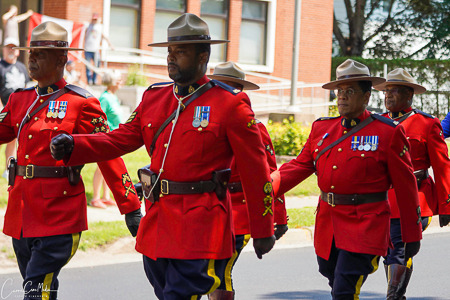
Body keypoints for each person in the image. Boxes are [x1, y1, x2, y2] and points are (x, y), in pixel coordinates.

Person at [50, 13, 276, 300]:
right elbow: (119, 139)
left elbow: (256, 170)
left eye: (180, 52)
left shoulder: (229, 103)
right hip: (158, 222)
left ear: (203, 55)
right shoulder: (155, 98)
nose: (171, 58)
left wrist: (263, 228)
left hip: (201, 225)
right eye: (169, 51)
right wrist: (76, 144)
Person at [0, 21, 141, 300]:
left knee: (36, 291)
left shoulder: (81, 102)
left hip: (58, 215)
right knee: (37, 288)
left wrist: (130, 206)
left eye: (40, 54)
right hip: (22, 214)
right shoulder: (20, 99)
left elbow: (106, 150)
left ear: (62, 59)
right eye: (31, 53)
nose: (32, 59)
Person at [271, 59, 423, 299]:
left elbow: (406, 187)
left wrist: (411, 235)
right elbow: (298, 166)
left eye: (349, 91)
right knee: (335, 282)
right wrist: (262, 188)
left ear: (366, 96)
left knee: (344, 289)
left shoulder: (387, 132)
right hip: (328, 225)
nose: (341, 96)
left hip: (365, 224)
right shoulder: (322, 129)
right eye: (339, 91)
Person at [206, 61, 288, 299]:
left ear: (238, 90)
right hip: (209, 208)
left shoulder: (254, 127)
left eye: (228, 87)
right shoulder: (204, 122)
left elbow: (269, 174)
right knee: (206, 273)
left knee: (221, 272)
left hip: (238, 212)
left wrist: (278, 218)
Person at [374, 68, 450, 299]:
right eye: (386, 91)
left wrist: (446, 205)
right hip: (381, 198)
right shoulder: (375, 123)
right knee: (389, 251)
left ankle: (394, 296)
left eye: (394, 91)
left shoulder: (427, 123)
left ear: (409, 95)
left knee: (399, 248)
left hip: (416, 196)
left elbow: (442, 165)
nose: (388, 96)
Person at [91, 70, 123, 208]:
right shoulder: (104, 98)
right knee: (101, 167)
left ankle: (106, 196)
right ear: (112, 81)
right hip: (106, 137)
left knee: (110, 167)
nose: (121, 81)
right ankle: (95, 198)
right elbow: (98, 117)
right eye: (118, 79)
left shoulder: (113, 96)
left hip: (114, 137)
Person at [0, 36, 30, 179]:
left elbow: (25, 88)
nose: (11, 50)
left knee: (13, 140)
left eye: (14, 47)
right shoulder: (0, 66)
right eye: (8, 47)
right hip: (2, 109)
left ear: (18, 51)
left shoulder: (22, 67)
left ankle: (7, 169)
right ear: (3, 49)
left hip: (19, 111)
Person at [84, 13, 114, 85]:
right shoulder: (88, 26)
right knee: (88, 66)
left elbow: (104, 36)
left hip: (95, 49)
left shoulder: (100, 27)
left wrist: (110, 45)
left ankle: (94, 80)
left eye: (96, 19)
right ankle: (89, 81)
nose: (94, 21)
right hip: (87, 49)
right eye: (93, 19)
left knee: (97, 65)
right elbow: (83, 34)